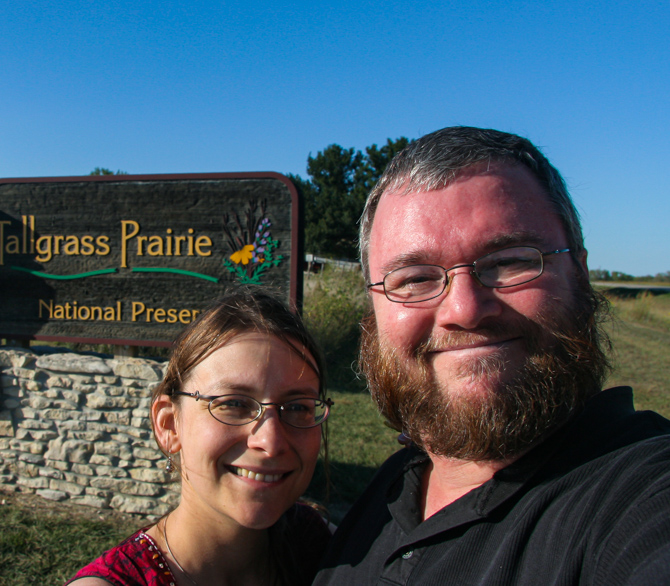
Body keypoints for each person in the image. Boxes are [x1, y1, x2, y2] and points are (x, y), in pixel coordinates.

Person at [314, 126, 670, 585]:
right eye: (415, 278)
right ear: (375, 306)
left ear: (579, 273)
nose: (464, 310)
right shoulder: (394, 487)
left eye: (508, 262)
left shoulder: (639, 496)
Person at [69, 289, 333, 586]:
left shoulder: (327, 549)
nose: (270, 442)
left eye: (298, 407)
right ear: (169, 425)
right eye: (233, 404)